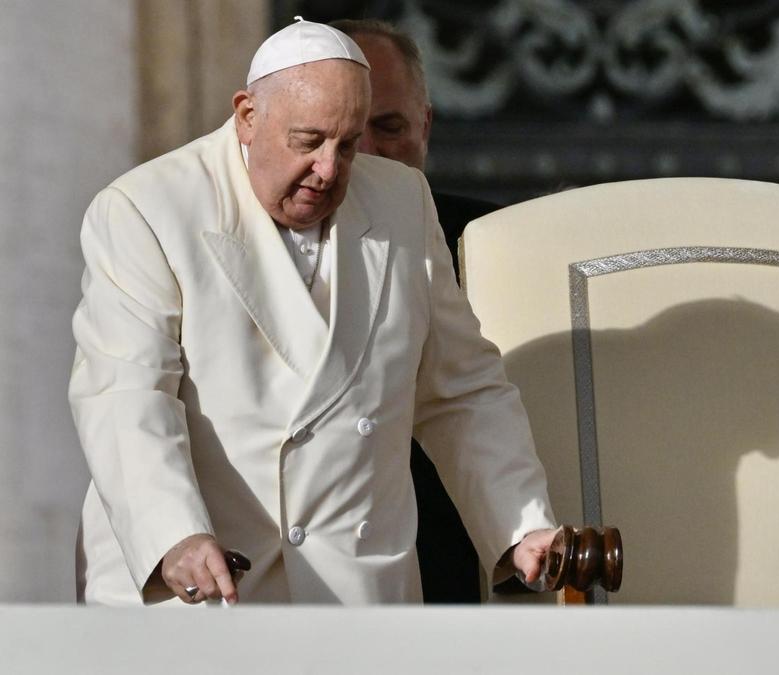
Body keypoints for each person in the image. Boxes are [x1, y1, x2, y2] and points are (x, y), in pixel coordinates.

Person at [69, 18, 556, 606]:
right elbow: (127, 395)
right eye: (308, 141)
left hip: (355, 592)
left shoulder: (402, 199)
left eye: (347, 144)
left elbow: (464, 392)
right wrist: (175, 536)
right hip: (205, 588)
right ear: (248, 115)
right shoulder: (143, 209)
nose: (330, 169)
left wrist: (522, 528)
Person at [330, 17, 501, 603]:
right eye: (350, 131)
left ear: (425, 126)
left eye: (390, 127)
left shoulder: (496, 241)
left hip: (468, 554)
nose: (370, 153)